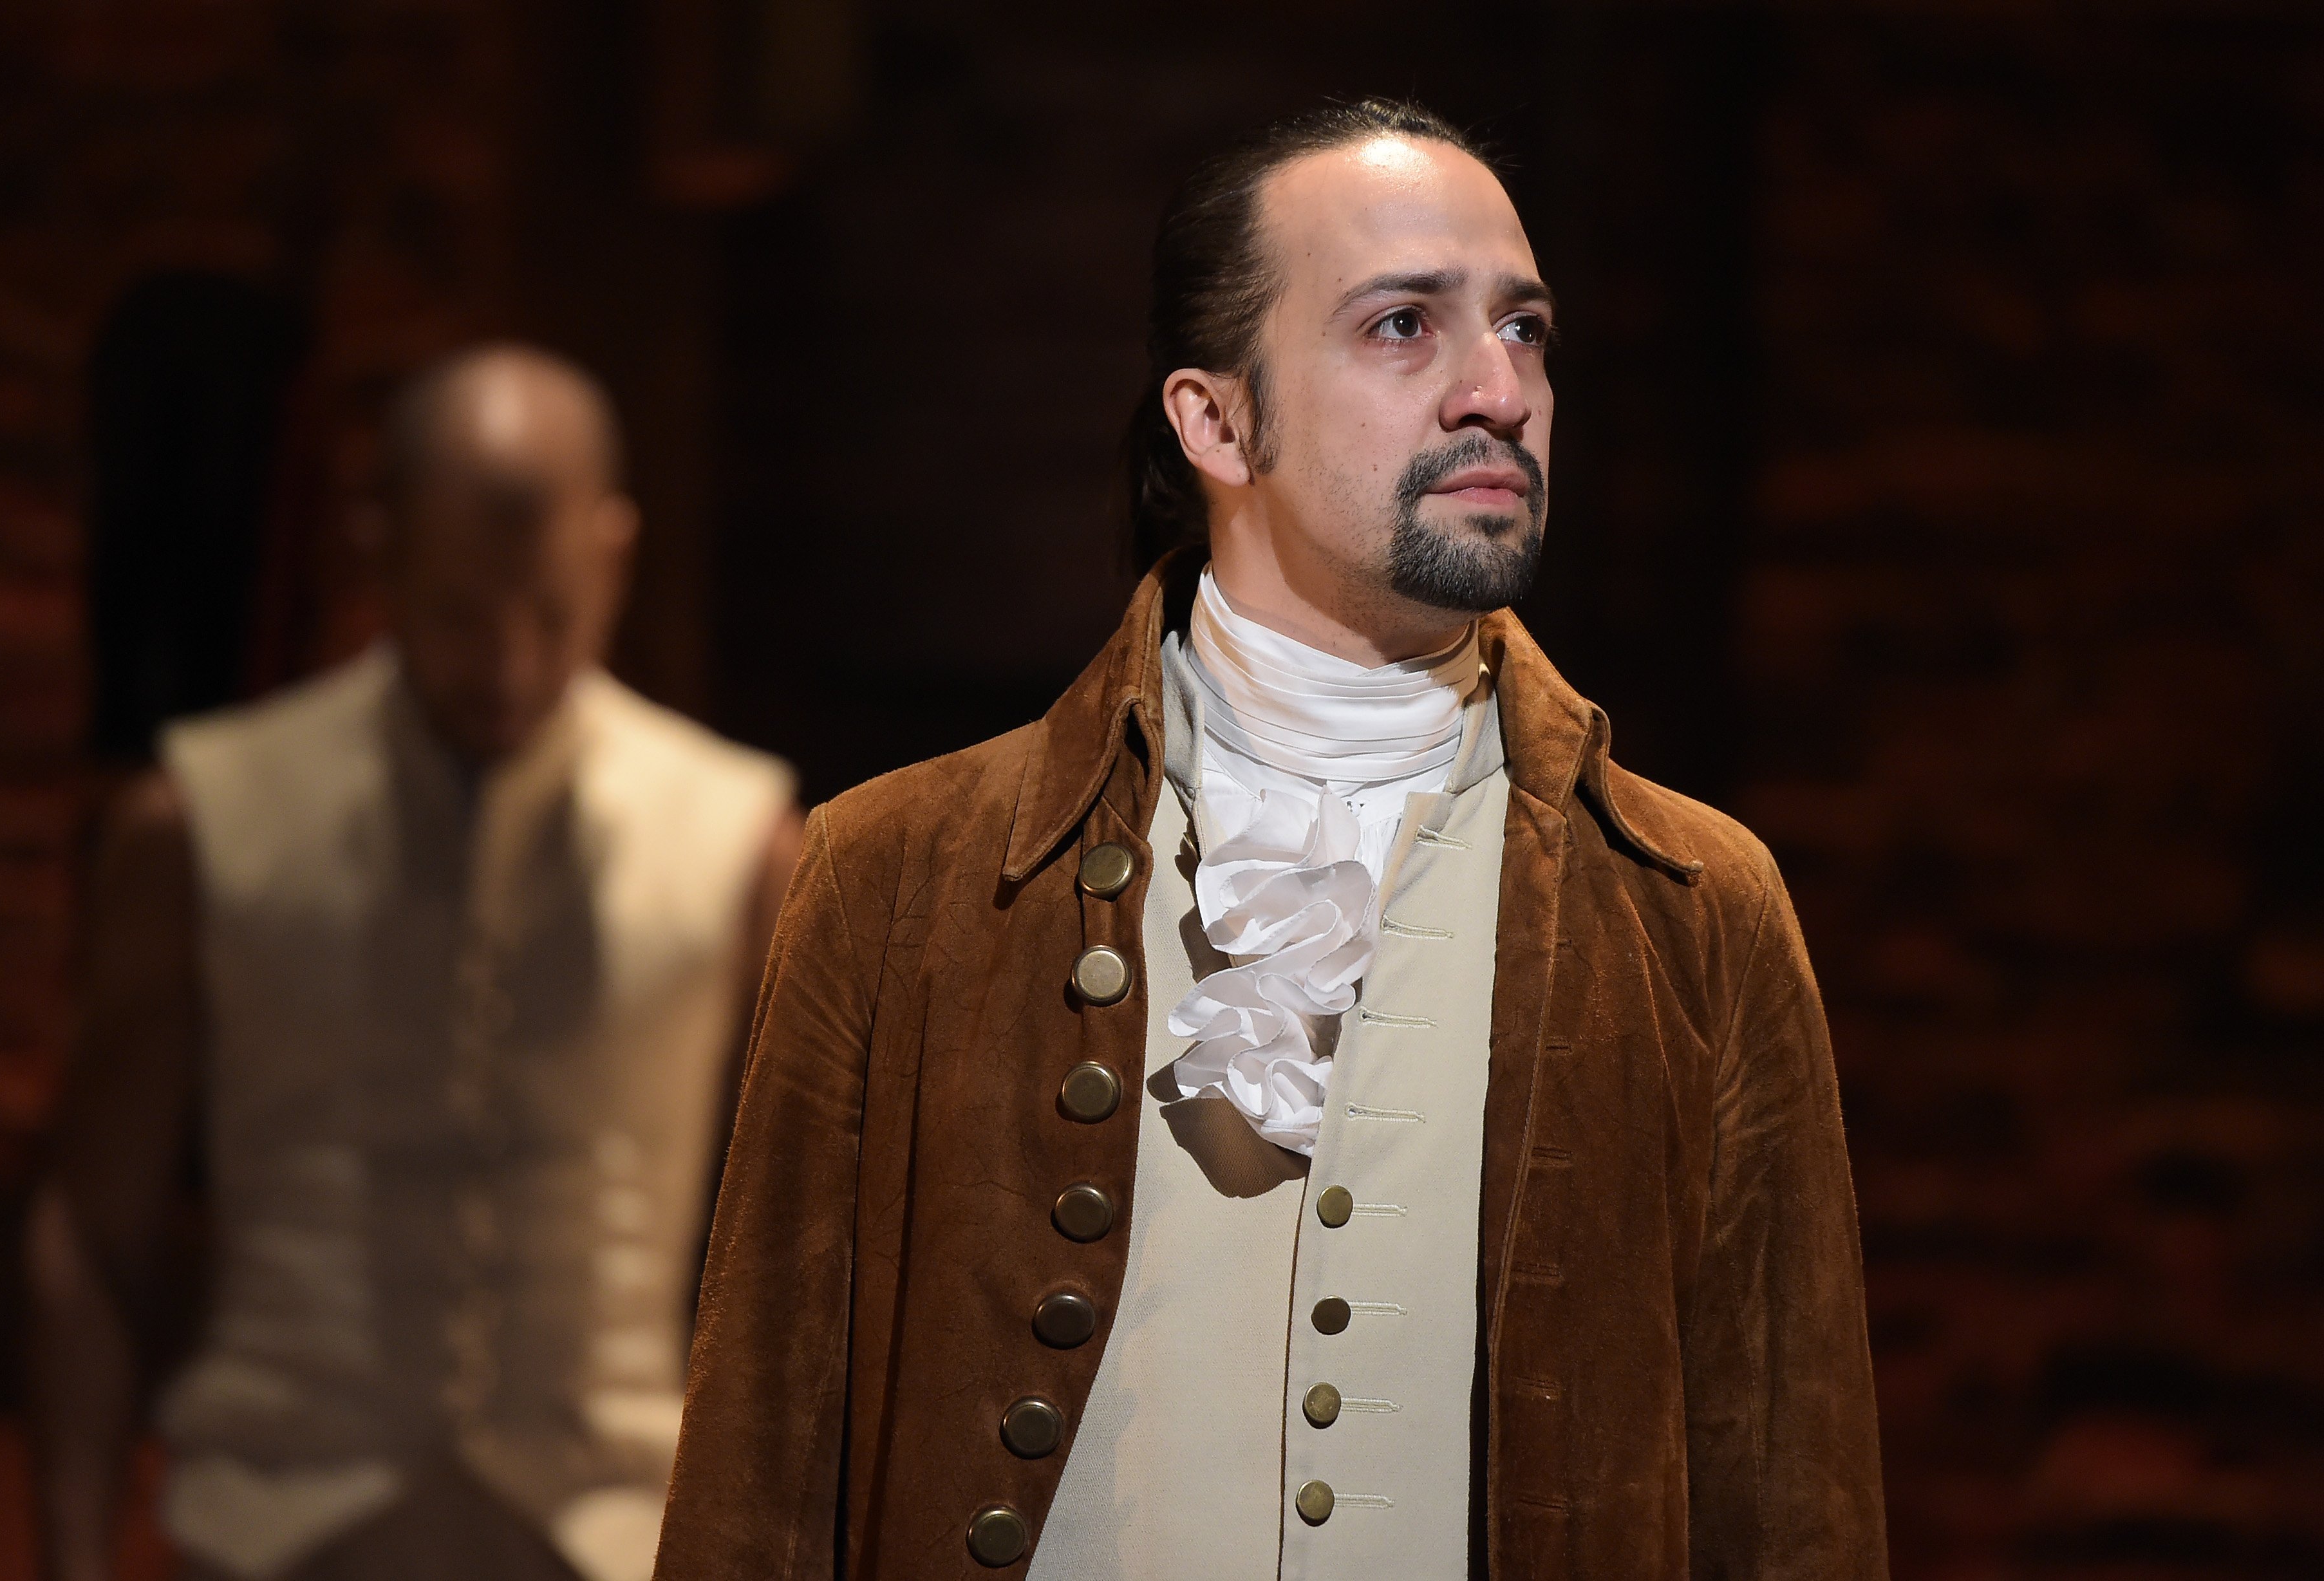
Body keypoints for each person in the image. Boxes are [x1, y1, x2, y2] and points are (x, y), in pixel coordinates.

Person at [655, 100, 1886, 1579]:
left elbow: (1793, 1508)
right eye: (1401, 328)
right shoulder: (899, 877)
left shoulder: (1696, 909)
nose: (1496, 388)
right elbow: (759, 1479)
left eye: (1525, 329)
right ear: (1216, 418)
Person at [26, 345, 803, 1581]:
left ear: (614, 552)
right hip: (275, 1532)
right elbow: (92, 1229)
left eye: (548, 614)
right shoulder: (201, 826)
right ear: (376, 548)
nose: (503, 666)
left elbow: (804, 1273)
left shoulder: (742, 845)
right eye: (456, 613)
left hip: (610, 1538)